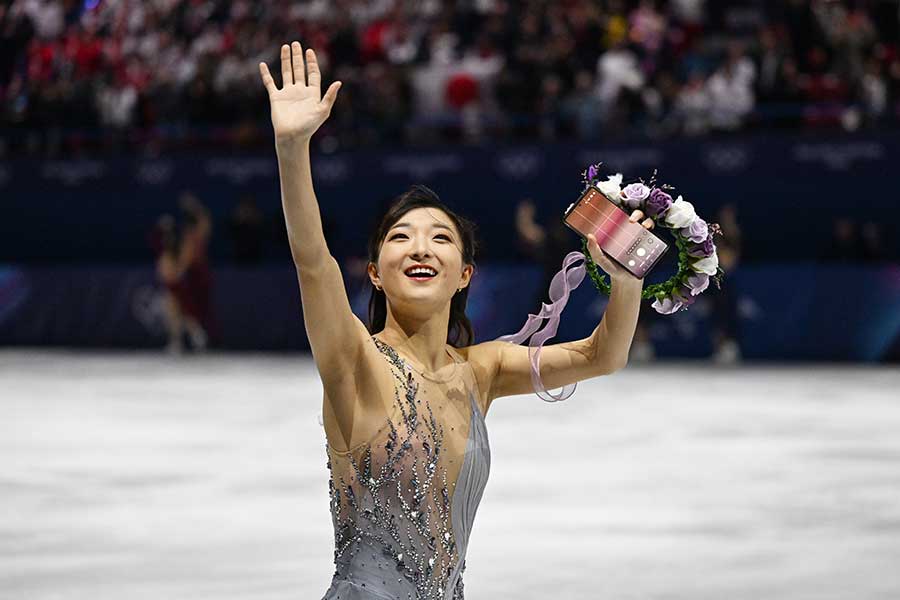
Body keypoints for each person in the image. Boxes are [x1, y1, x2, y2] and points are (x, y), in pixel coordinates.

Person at [258, 41, 654, 599]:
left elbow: (602, 356)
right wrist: (292, 149)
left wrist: (628, 278)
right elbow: (313, 262)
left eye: (439, 237)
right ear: (374, 272)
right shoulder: (354, 358)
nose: (421, 248)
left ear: (464, 274)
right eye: (401, 237)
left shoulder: (480, 370)